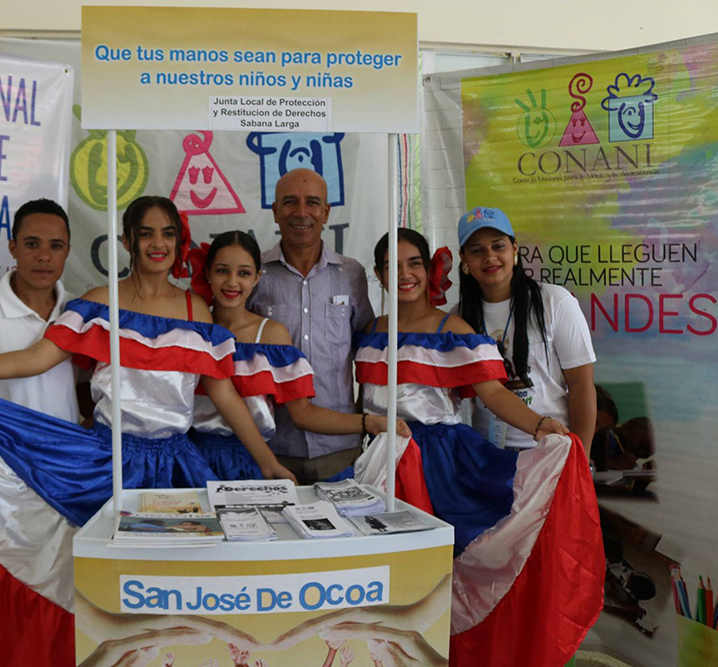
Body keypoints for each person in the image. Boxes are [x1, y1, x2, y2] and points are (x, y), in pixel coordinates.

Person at [0, 196, 295, 523]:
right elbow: (38, 357)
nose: (157, 243)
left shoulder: (195, 310)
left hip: (178, 462)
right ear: (128, 240)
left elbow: (222, 392)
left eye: (167, 233)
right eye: (146, 233)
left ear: (179, 242)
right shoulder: (99, 301)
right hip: (109, 458)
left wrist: (267, 462)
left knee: (177, 568)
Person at [355, 229, 602, 667]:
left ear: (430, 270)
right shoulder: (370, 331)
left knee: (448, 570)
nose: (406, 274)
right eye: (394, 265)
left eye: (414, 263)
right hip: (379, 463)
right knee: (381, 575)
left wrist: (544, 426)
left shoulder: (454, 328)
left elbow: (493, 392)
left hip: (441, 465)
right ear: (379, 275)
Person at [189, 231, 402, 480]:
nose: (232, 282)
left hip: (253, 461)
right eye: (222, 271)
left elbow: (303, 413)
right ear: (207, 273)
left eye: (244, 273)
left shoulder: (271, 335)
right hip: (193, 456)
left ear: (258, 277)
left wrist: (369, 422)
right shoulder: (191, 326)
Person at [247, 168, 374, 484]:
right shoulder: (254, 274)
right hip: (272, 448)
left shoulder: (351, 274)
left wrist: (363, 418)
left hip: (340, 450)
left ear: (326, 212)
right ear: (275, 212)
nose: (301, 212)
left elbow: (367, 352)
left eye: (312, 202)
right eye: (290, 202)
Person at [456, 206, 597, 454]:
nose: (489, 257)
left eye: (498, 246)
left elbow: (581, 385)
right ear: (464, 259)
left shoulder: (554, 301)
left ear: (515, 249)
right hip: (487, 454)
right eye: (477, 251)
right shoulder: (458, 317)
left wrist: (581, 456)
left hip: (551, 449)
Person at [0, 198, 79, 420]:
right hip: (3, 451)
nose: (44, 256)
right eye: (32, 244)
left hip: (69, 451)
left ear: (67, 251)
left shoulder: (76, 311)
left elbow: (90, 388)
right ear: (13, 248)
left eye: (56, 246)